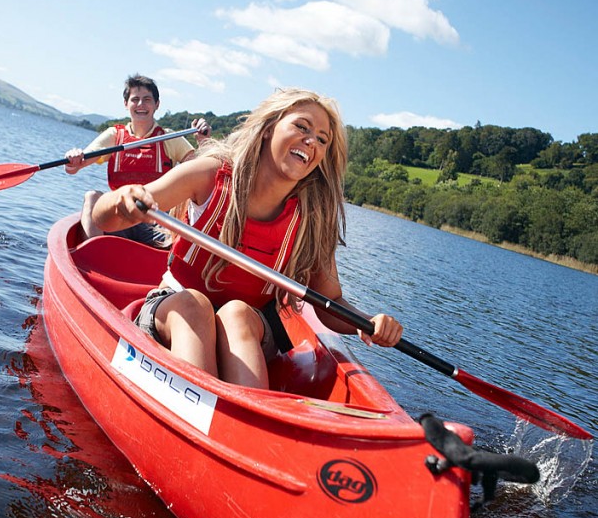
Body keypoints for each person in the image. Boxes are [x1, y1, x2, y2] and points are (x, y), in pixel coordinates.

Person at [91, 87, 403, 389]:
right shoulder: (210, 175)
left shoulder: (313, 219)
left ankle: (237, 412)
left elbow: (329, 303)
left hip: (250, 329)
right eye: (302, 126)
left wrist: (369, 322)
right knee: (194, 305)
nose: (311, 141)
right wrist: (122, 200)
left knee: (237, 313)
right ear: (268, 128)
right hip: (174, 308)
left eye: (322, 140)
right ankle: (201, 403)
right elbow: (102, 216)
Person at [64, 73, 210, 246]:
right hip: (119, 216)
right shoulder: (114, 135)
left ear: (156, 104)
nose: (141, 104)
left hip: (156, 220)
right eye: (135, 99)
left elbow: (201, 173)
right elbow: (76, 166)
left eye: (147, 99)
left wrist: (204, 142)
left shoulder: (169, 138)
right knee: (92, 196)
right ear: (126, 104)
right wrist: (74, 159)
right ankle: (92, 253)